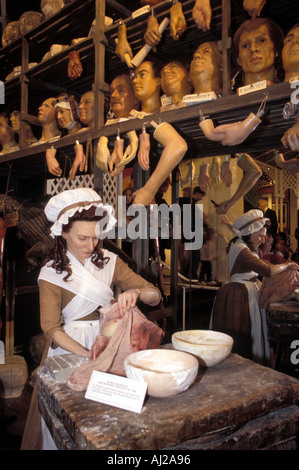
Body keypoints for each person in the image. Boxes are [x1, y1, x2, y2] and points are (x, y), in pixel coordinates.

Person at [21, 188, 161, 450]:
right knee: (71, 418)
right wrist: (88, 355)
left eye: (96, 237)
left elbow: (155, 295)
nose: (91, 245)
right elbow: (50, 328)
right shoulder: (51, 273)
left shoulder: (109, 261)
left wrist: (136, 291)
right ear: (63, 233)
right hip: (71, 349)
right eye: (82, 238)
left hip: (108, 342)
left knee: (106, 422)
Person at [210, 209, 299, 365]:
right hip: (238, 294)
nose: (263, 239)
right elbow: (267, 270)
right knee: (241, 335)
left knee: (249, 334)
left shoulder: (246, 247)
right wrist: (288, 265)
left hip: (246, 291)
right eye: (260, 235)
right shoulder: (241, 249)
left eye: (264, 235)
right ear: (249, 233)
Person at [233, 17, 284, 87]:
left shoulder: (291, 93)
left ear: (276, 50)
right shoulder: (228, 97)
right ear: (238, 59)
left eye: (262, 41)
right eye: (245, 46)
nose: (253, 49)